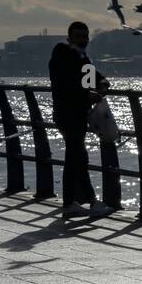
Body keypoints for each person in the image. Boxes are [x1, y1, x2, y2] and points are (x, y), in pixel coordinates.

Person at [48, 21, 112, 219]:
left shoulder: (81, 58)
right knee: (76, 156)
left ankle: (77, 202)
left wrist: (102, 83)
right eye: (78, 36)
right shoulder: (63, 55)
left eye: (85, 36)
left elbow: (91, 78)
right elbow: (64, 85)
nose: (83, 40)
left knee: (76, 156)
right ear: (69, 38)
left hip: (75, 115)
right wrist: (87, 96)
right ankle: (82, 202)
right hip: (68, 115)